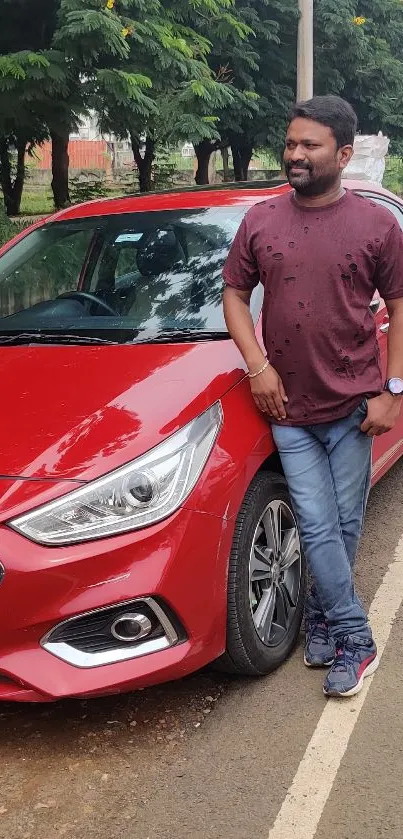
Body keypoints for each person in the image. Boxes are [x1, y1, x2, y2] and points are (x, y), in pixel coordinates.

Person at [223, 95, 403, 698]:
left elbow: (400, 309)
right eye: (291, 142)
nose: (294, 154)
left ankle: (324, 619)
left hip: (355, 407)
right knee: (319, 525)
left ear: (343, 154)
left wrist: (393, 391)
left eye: (310, 145)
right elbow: (233, 294)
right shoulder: (261, 221)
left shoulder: (377, 225)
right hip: (289, 409)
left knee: (343, 524)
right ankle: (358, 637)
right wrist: (257, 367)